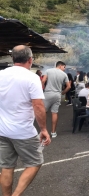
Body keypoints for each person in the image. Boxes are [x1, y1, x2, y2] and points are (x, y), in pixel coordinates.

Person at [0, 45, 51, 196]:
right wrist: (43, 129)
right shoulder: (32, 78)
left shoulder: (1, 75)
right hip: (23, 132)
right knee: (34, 162)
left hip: (2, 130)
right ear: (30, 60)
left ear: (12, 58)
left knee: (6, 167)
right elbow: (38, 106)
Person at [41, 61, 70, 138]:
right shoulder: (64, 75)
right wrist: (63, 93)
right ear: (60, 66)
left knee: (44, 112)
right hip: (57, 95)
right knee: (54, 113)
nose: (64, 69)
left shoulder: (48, 71)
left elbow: (43, 80)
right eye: (64, 67)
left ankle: (43, 130)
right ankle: (53, 132)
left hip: (47, 93)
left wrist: (41, 90)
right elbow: (68, 86)